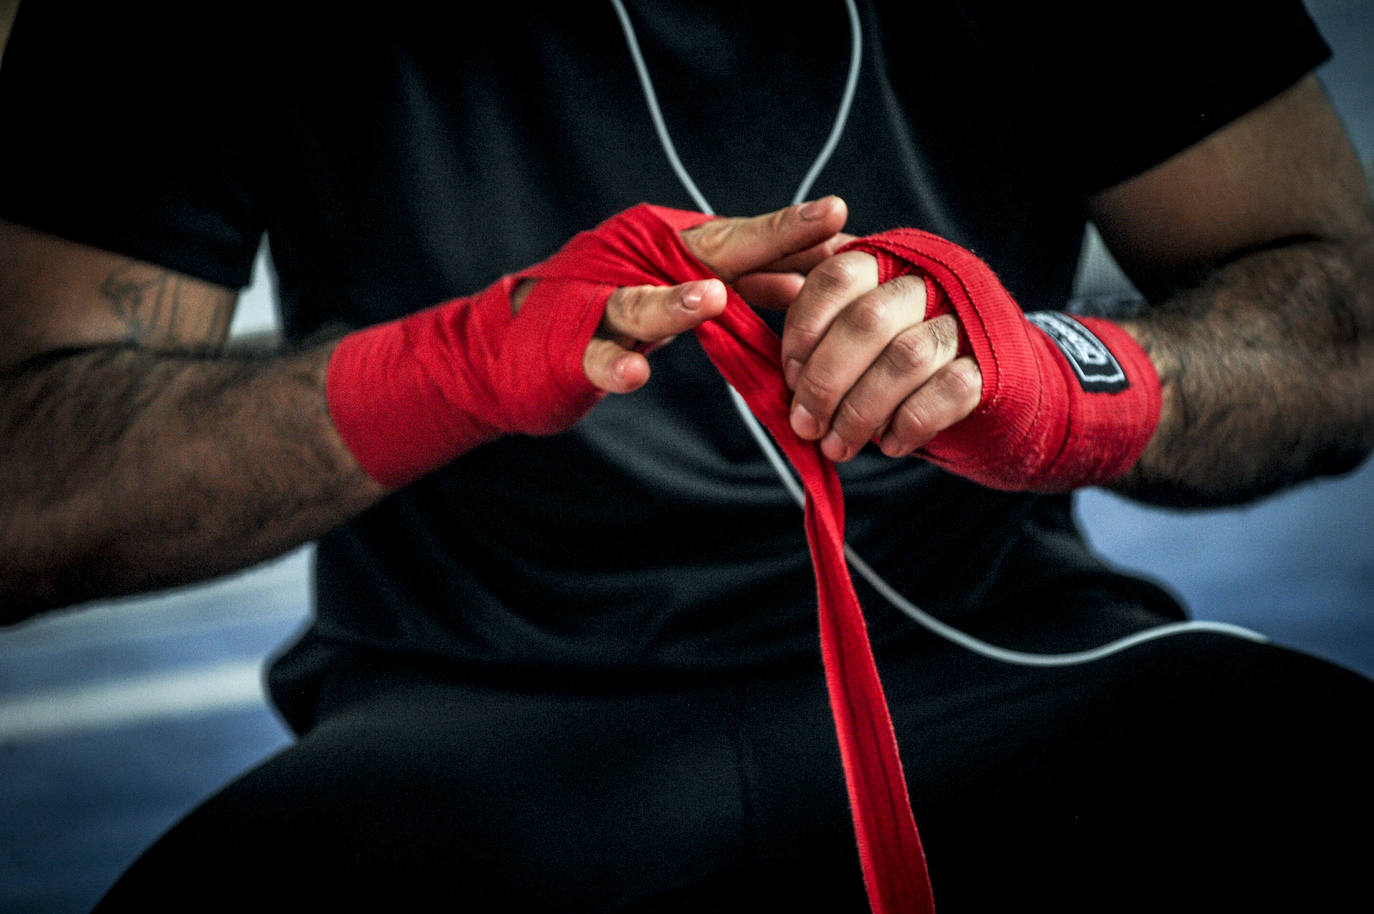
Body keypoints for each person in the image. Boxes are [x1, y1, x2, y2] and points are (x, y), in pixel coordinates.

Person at [1, 0, 1372, 910]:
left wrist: (1065, 380)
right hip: (471, 711)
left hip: (1009, 654)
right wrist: (447, 366)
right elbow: (24, 486)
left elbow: (1346, 321)